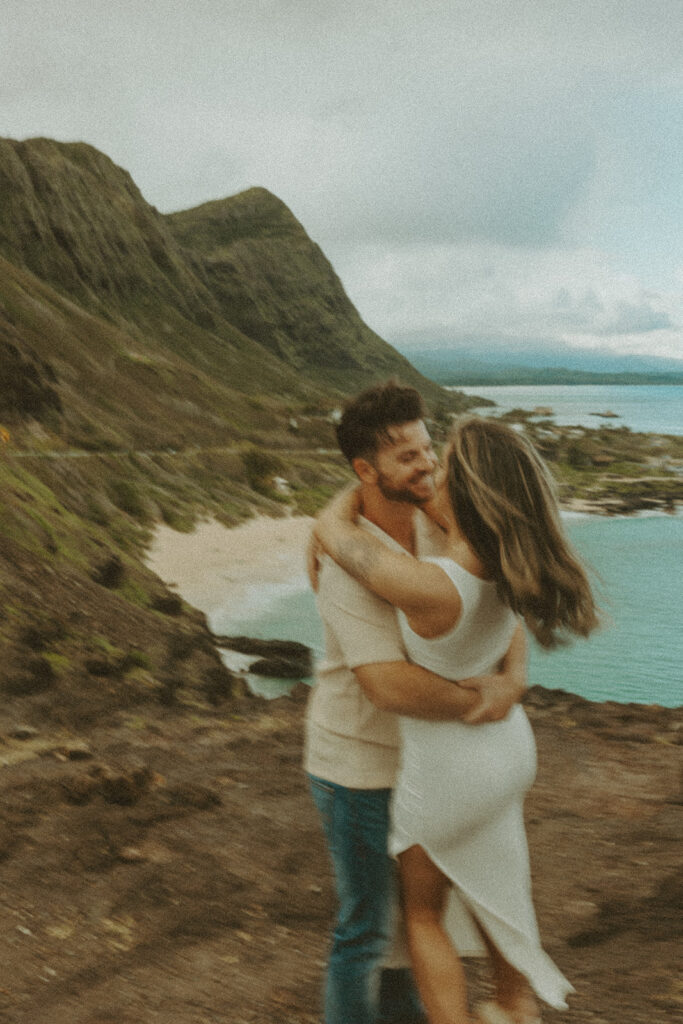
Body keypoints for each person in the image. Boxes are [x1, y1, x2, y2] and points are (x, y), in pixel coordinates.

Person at [314, 414, 600, 1024]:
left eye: (438, 462)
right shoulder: (508, 561)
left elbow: (341, 543)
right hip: (507, 750)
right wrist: (507, 684)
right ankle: (513, 1006)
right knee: (496, 886)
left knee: (421, 914)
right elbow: (507, 627)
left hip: (450, 764)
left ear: (465, 490)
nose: (428, 471)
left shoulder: (433, 584)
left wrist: (336, 509)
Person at [304, 381, 528, 1024]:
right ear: (365, 471)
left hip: (425, 761)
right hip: (359, 767)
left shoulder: (442, 523)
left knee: (414, 931)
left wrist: (510, 681)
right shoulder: (347, 558)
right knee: (368, 932)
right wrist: (476, 699)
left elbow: (502, 611)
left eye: (428, 448)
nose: (427, 463)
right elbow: (387, 685)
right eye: (406, 455)